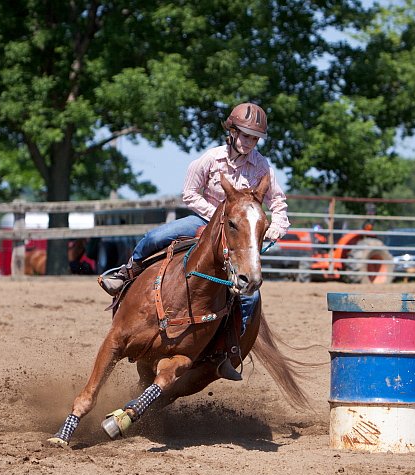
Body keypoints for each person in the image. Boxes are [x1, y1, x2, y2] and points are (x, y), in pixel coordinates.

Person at [98, 102, 290, 379]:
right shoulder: (210, 159)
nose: (250, 142)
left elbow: (278, 201)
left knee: (250, 295)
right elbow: (190, 193)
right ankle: (127, 272)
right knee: (157, 236)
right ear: (232, 131)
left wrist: (279, 224)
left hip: (236, 233)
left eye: (254, 137)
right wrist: (217, 220)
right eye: (245, 135)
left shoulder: (262, 166)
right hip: (205, 220)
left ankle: (227, 352)